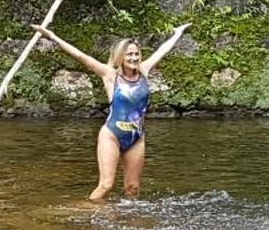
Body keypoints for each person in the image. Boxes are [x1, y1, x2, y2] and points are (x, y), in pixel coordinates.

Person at [32, 23, 189, 201]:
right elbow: (80, 55)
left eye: (137, 54)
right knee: (106, 185)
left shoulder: (144, 71)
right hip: (112, 134)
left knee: (133, 188)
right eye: (130, 54)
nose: (134, 57)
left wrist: (178, 33)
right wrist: (52, 36)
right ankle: (86, 214)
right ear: (121, 57)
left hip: (136, 137)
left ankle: (129, 224)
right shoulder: (110, 75)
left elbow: (163, 50)